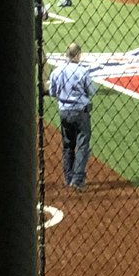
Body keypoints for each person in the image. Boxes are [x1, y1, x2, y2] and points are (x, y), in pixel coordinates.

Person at [47, 43, 95, 191]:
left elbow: (52, 92)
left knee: (68, 145)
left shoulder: (57, 71)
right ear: (78, 55)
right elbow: (92, 90)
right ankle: (78, 179)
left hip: (64, 112)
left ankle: (68, 178)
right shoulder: (82, 72)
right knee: (82, 144)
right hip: (80, 112)